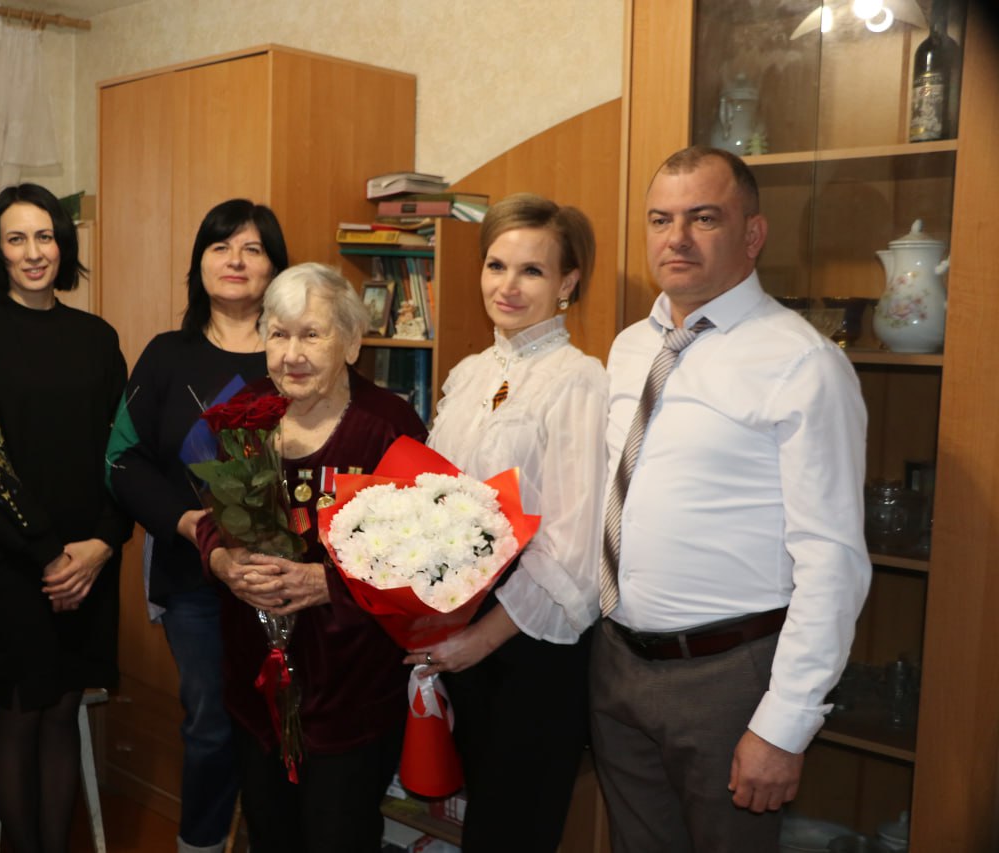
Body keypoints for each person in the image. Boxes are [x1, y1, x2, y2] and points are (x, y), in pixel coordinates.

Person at [589, 146, 870, 853]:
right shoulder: (630, 347)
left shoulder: (803, 363)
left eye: (704, 218)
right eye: (660, 219)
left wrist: (783, 724)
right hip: (616, 661)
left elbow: (832, 560)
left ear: (753, 234)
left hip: (729, 680)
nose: (676, 238)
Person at [197, 263, 428, 853]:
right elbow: (211, 517)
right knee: (269, 833)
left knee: (338, 836)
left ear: (350, 343)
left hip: (349, 693)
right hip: (258, 686)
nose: (292, 354)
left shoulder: (389, 426)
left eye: (312, 335)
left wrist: (327, 584)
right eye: (278, 334)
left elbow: (417, 558)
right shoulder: (244, 413)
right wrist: (221, 562)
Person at [406, 193, 607, 851]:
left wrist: (480, 639)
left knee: (511, 832)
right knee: (478, 824)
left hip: (530, 644)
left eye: (532, 271)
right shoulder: (469, 374)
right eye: (496, 265)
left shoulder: (578, 381)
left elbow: (572, 550)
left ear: (568, 282)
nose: (508, 286)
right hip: (463, 629)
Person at [0, 183, 131, 853]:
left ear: (63, 243)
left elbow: (125, 453)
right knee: (21, 716)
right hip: (15, 562)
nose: (33, 251)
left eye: (45, 236)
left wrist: (102, 543)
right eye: (16, 238)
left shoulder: (98, 337)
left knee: (63, 713)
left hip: (90, 562)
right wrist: (52, 554)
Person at [106, 198, 289, 853]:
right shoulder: (167, 355)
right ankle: (202, 843)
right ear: (199, 264)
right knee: (210, 719)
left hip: (284, 577)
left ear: (275, 268)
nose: (235, 260)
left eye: (252, 249)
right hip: (193, 574)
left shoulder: (296, 354)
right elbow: (121, 459)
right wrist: (191, 524)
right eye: (220, 246)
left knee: (280, 721)